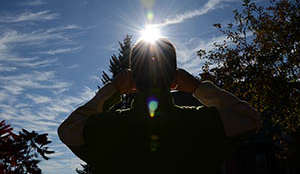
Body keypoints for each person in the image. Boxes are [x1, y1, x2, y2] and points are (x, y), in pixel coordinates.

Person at [58, 38, 261, 174]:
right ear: (174, 80)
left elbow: (68, 129)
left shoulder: (108, 128)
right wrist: (198, 88)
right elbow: (250, 118)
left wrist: (112, 90)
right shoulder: (204, 123)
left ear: (132, 81)